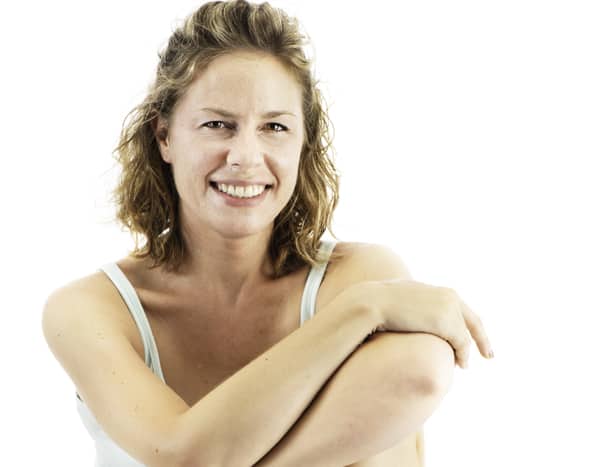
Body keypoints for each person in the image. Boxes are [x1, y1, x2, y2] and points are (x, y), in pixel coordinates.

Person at [41, 1, 494, 466]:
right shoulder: (88, 310)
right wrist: (365, 310)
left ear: (303, 144)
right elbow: (180, 456)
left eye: (274, 127)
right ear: (164, 136)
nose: (246, 156)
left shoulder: (358, 274)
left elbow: (419, 376)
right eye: (218, 124)